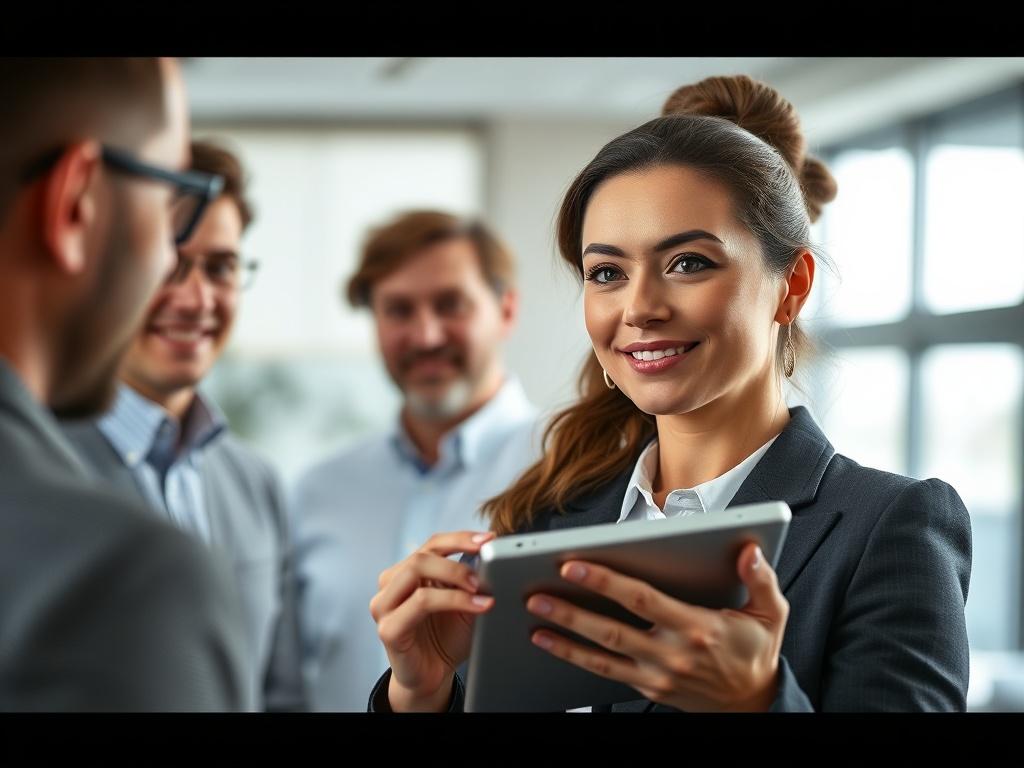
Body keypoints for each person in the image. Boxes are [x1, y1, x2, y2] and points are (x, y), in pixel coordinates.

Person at [366, 75, 972, 712]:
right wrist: (423, 693)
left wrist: (758, 701)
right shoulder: (552, 520)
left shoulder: (889, 527)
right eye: (607, 273)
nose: (639, 308)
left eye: (688, 263)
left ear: (792, 284)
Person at [0, 57, 250, 710]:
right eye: (170, 201)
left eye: (221, 265)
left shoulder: (252, 487)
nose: (178, 276)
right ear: (75, 202)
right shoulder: (121, 580)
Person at [60, 140, 306, 712]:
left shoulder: (257, 485)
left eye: (220, 268)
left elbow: (284, 696)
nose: (196, 300)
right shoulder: (35, 469)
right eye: (168, 265)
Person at [291, 210, 542, 710]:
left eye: (451, 305)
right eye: (399, 310)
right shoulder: (315, 492)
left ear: (507, 310)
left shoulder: (574, 468)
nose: (426, 336)